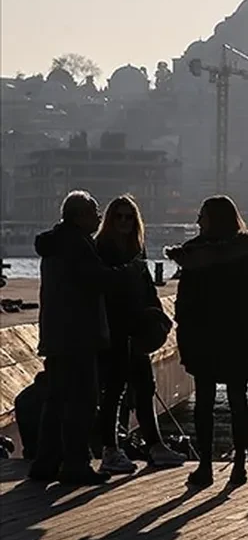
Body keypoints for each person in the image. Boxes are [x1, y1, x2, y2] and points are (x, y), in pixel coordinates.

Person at [166, 195, 248, 489]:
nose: (198, 221)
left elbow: (185, 300)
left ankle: (206, 466)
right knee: (238, 399)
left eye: (202, 215)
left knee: (204, 403)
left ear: (214, 218)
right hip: (238, 336)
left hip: (203, 336)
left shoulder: (193, 253)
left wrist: (185, 328)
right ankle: (239, 465)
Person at [30, 191, 125, 485]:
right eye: (94, 211)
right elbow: (96, 279)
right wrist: (125, 274)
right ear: (79, 216)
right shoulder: (77, 245)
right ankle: (75, 464)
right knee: (82, 401)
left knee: (56, 399)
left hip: (56, 333)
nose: (99, 217)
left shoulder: (54, 244)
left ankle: (45, 463)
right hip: (79, 335)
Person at [93, 195, 187, 475]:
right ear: (110, 220)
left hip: (137, 328)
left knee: (145, 387)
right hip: (115, 330)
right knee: (114, 391)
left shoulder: (136, 249)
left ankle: (155, 445)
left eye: (129, 217)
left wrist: (156, 311)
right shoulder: (103, 250)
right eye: (119, 216)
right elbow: (106, 288)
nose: (124, 221)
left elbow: (147, 287)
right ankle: (110, 449)